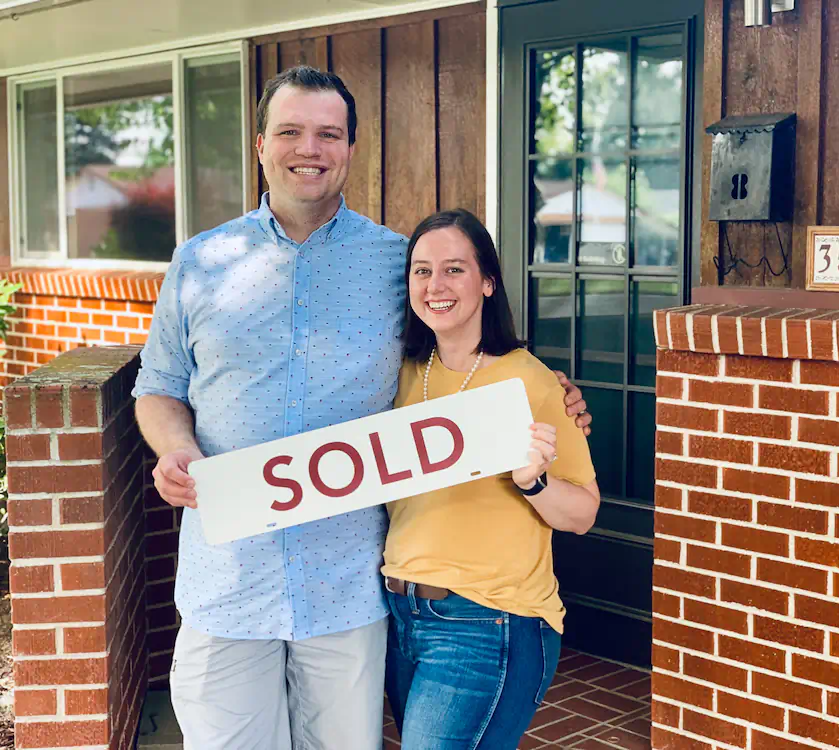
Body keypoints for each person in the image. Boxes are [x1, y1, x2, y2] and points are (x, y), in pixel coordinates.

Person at [132, 66, 591, 750]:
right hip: (227, 579)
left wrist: (545, 388)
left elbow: (457, 344)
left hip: (345, 585)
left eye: (328, 133)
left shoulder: (396, 265)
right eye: (290, 131)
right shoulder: (200, 262)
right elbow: (159, 384)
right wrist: (175, 446)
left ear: (350, 147)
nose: (308, 149)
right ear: (261, 144)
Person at [382, 208, 600, 749]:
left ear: (488, 282)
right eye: (422, 270)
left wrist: (535, 483)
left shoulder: (530, 381)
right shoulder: (397, 375)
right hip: (400, 615)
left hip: (488, 621)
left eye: (454, 269)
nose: (435, 285)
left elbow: (584, 514)